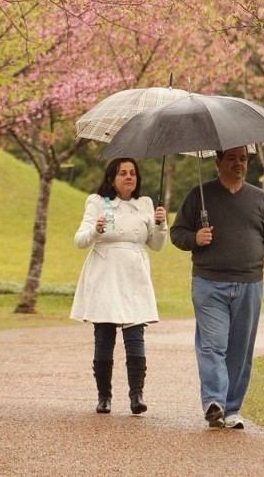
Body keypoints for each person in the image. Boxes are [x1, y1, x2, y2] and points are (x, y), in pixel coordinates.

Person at [170, 145, 264, 430]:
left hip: (250, 284)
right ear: (217, 161)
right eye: (231, 158)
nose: (239, 164)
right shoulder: (198, 196)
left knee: (240, 351)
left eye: (243, 158)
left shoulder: (260, 199)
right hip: (208, 284)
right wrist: (195, 238)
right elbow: (176, 233)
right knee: (213, 346)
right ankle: (214, 402)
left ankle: (231, 410)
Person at [70, 157, 167, 415]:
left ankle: (137, 395)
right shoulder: (98, 202)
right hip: (105, 273)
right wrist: (96, 231)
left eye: (132, 173)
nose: (129, 177)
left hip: (135, 274)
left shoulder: (145, 204)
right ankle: (104, 397)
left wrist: (160, 224)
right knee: (104, 337)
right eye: (122, 173)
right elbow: (80, 240)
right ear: (112, 178)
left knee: (135, 336)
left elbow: (156, 245)